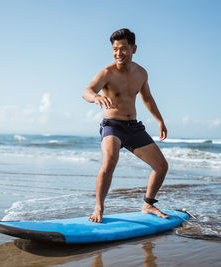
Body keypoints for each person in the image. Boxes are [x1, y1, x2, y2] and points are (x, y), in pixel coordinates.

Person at [82, 28, 169, 223]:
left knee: (161, 166)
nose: (118, 53)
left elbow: (147, 99)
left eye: (123, 49)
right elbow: (87, 91)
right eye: (115, 49)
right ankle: (99, 207)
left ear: (133, 48)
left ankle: (148, 204)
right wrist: (96, 97)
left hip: (133, 127)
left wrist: (160, 120)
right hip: (112, 125)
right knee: (109, 162)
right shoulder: (107, 73)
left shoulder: (141, 73)